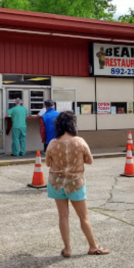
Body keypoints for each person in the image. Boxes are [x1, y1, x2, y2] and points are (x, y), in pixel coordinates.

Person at [45, 111, 109, 258]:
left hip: (56, 183)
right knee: (83, 216)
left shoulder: (52, 143)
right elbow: (90, 160)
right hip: (75, 183)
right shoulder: (80, 141)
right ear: (72, 124)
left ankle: (67, 249)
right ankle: (93, 246)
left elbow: (48, 163)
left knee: (63, 216)